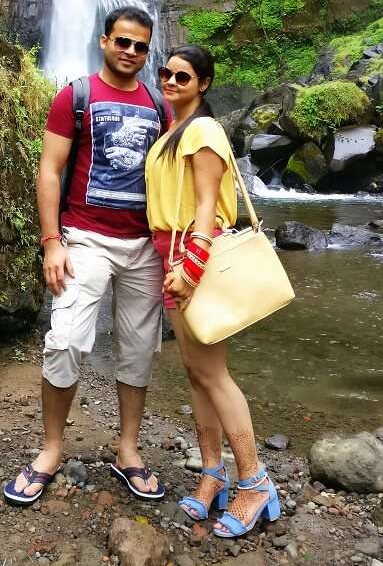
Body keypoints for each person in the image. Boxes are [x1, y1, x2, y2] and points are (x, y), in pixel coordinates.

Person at [4, 6, 169, 507]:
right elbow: (50, 170)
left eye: (141, 46)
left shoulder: (160, 106)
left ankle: (128, 449)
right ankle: (51, 449)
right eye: (123, 42)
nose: (131, 52)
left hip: (144, 245)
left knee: (139, 349)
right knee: (66, 340)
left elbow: (170, 180)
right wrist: (51, 242)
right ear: (104, 41)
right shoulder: (75, 96)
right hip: (85, 239)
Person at [145, 45, 281, 539]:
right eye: (166, 72)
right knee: (196, 372)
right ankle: (212, 475)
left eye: (183, 75)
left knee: (215, 374)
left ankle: (255, 483)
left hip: (191, 256)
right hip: (172, 254)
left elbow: (207, 205)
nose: (171, 80)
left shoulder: (202, 130)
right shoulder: (173, 131)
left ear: (203, 83)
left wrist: (192, 266)